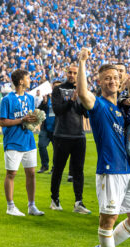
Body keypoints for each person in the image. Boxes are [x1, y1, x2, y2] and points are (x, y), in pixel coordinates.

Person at [77, 48, 130, 247]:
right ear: (100, 81)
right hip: (110, 171)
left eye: (116, 77)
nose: (113, 80)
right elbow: (82, 93)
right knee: (109, 220)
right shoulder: (97, 105)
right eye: (107, 78)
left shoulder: (124, 109)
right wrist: (82, 62)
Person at [0, 69, 44, 217]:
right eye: (28, 78)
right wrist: (22, 120)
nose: (30, 80)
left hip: (29, 141)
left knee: (31, 173)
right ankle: (10, 206)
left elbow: (29, 118)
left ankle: (31, 205)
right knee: (11, 173)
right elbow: (2, 122)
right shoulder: (7, 100)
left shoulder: (30, 99)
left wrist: (34, 122)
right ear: (20, 82)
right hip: (13, 141)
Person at [50, 64, 91, 214]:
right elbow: (57, 111)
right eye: (70, 72)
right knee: (58, 169)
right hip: (62, 134)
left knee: (78, 170)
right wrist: (71, 100)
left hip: (79, 135)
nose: (72, 75)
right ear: (66, 73)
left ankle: (78, 202)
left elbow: (86, 114)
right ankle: (54, 199)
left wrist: (83, 100)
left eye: (75, 73)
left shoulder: (83, 90)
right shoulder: (58, 89)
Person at [37, 80, 61, 173]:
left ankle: (55, 168)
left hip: (57, 129)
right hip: (46, 127)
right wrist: (44, 103)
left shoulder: (63, 99)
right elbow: (39, 110)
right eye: (54, 86)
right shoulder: (47, 98)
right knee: (41, 145)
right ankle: (44, 165)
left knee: (56, 150)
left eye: (57, 86)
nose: (55, 88)